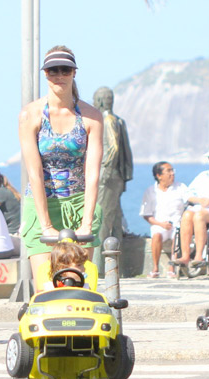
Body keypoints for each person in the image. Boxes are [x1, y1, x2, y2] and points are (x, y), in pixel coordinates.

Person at [19, 45, 104, 290]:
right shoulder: (30, 115)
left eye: (65, 70)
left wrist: (87, 220)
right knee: (46, 286)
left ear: (74, 73)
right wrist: (45, 223)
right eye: (53, 70)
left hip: (79, 203)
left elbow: (93, 172)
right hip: (41, 202)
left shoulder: (91, 116)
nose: (59, 76)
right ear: (45, 74)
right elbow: (34, 172)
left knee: (81, 284)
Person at [92, 86, 134, 271]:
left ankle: (99, 268)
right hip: (116, 177)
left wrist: (104, 169)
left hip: (106, 177)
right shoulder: (118, 120)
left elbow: (114, 148)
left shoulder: (106, 120)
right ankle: (118, 268)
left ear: (100, 101)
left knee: (101, 221)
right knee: (115, 222)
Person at [139, 161, 188, 278]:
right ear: (159, 175)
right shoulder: (150, 191)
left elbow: (189, 202)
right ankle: (155, 268)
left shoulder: (181, 187)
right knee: (156, 235)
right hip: (159, 224)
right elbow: (146, 214)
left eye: (172, 170)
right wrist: (160, 224)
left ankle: (172, 268)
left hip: (177, 224)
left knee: (177, 234)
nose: (172, 174)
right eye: (168, 171)